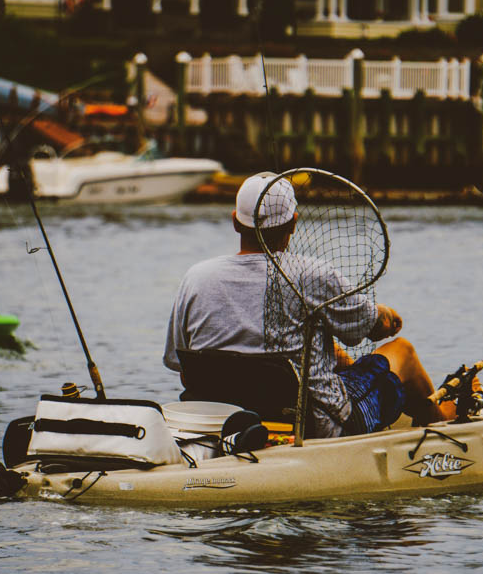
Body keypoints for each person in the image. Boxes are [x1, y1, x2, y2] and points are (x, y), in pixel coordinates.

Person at [164, 172, 454, 439]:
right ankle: (439, 425)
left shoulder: (196, 277)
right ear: (293, 222)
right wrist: (387, 316)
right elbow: (375, 329)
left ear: (235, 222)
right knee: (402, 351)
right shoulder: (313, 274)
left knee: (339, 358)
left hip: (218, 424)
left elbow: (181, 367)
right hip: (313, 426)